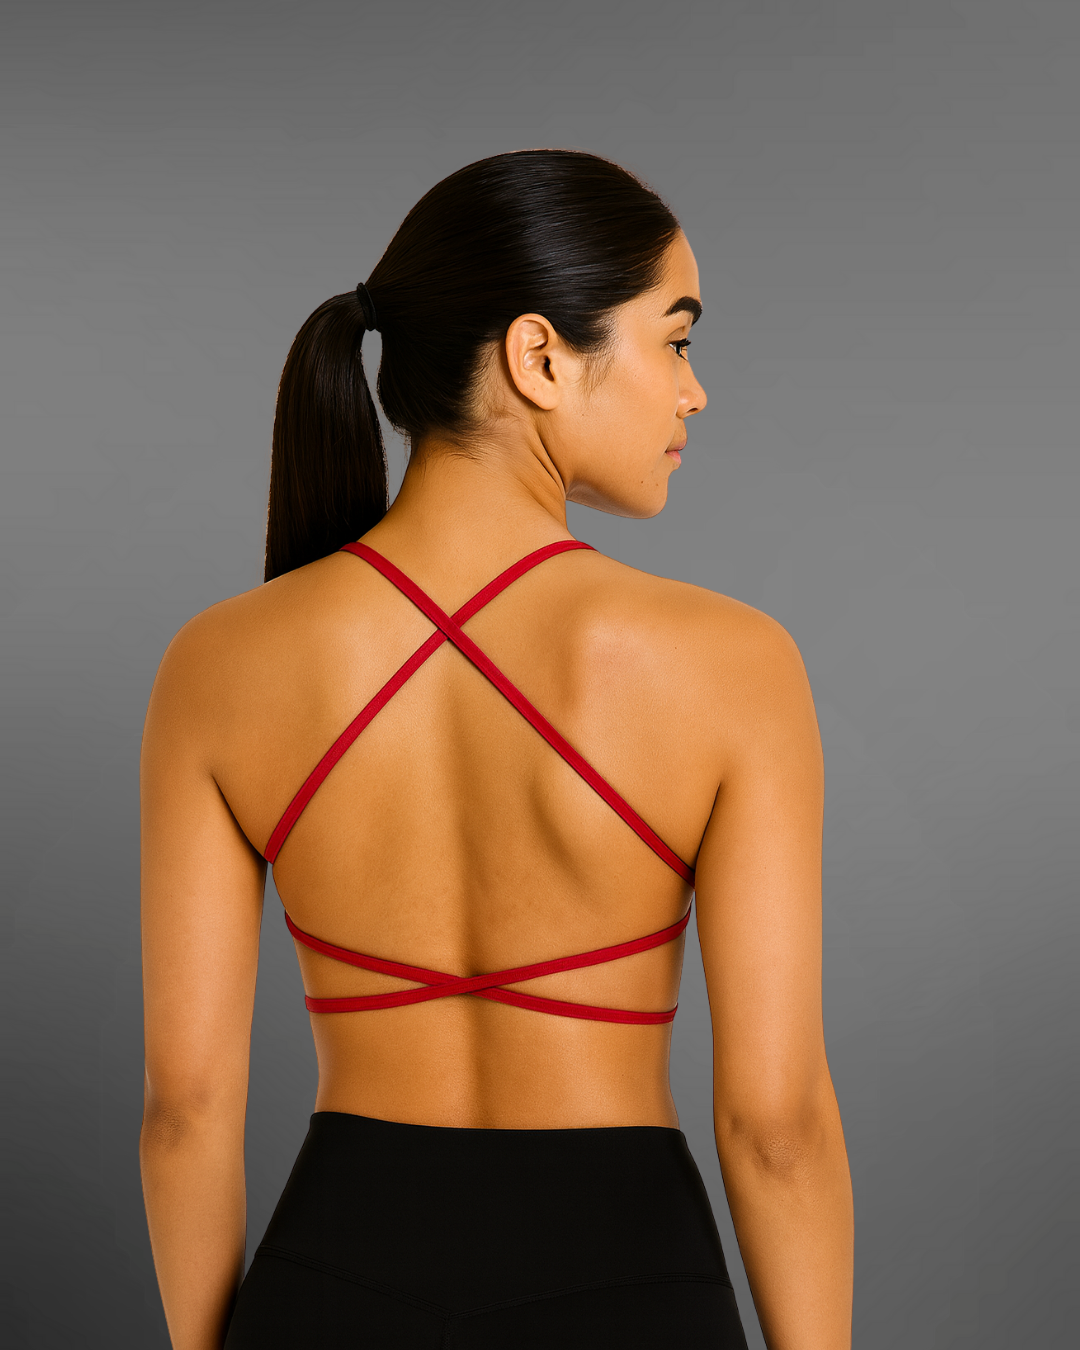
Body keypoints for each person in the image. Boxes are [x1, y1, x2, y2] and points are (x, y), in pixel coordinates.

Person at [140, 149, 853, 1350]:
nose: (694, 393)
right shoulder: (734, 664)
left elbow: (186, 1111)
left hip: (332, 1286)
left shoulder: (217, 663)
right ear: (539, 357)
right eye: (676, 341)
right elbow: (776, 1126)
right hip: (630, 1289)